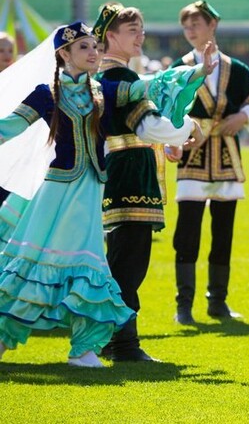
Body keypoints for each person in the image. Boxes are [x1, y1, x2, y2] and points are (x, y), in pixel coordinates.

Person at [0, 22, 206, 367]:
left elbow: (148, 100)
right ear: (63, 54)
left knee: (89, 266)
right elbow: (9, 127)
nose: (93, 52)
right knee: (32, 265)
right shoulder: (45, 93)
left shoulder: (105, 92)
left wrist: (196, 79)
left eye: (95, 46)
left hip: (91, 190)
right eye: (83, 47)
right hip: (57, 193)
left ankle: (82, 349)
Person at [92, 3, 206, 361]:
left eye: (141, 29)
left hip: (124, 167)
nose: (140, 36)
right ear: (110, 36)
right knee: (129, 260)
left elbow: (144, 129)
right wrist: (189, 128)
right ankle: (123, 344)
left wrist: (167, 141)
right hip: (129, 172)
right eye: (132, 31)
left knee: (125, 256)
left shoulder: (112, 77)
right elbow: (148, 126)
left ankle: (113, 339)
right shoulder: (121, 80)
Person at [169, 1, 249, 325]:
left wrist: (243, 115)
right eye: (186, 26)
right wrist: (186, 131)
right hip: (193, 155)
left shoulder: (235, 69)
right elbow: (167, 108)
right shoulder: (180, 68)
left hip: (226, 157)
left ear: (212, 25)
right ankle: (183, 304)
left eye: (196, 24)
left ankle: (218, 302)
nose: (191, 31)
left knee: (223, 230)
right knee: (187, 231)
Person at [0, 32, 17, 206]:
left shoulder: (19, 81)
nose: (6, 55)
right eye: (1, 50)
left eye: (9, 50)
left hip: (12, 148)